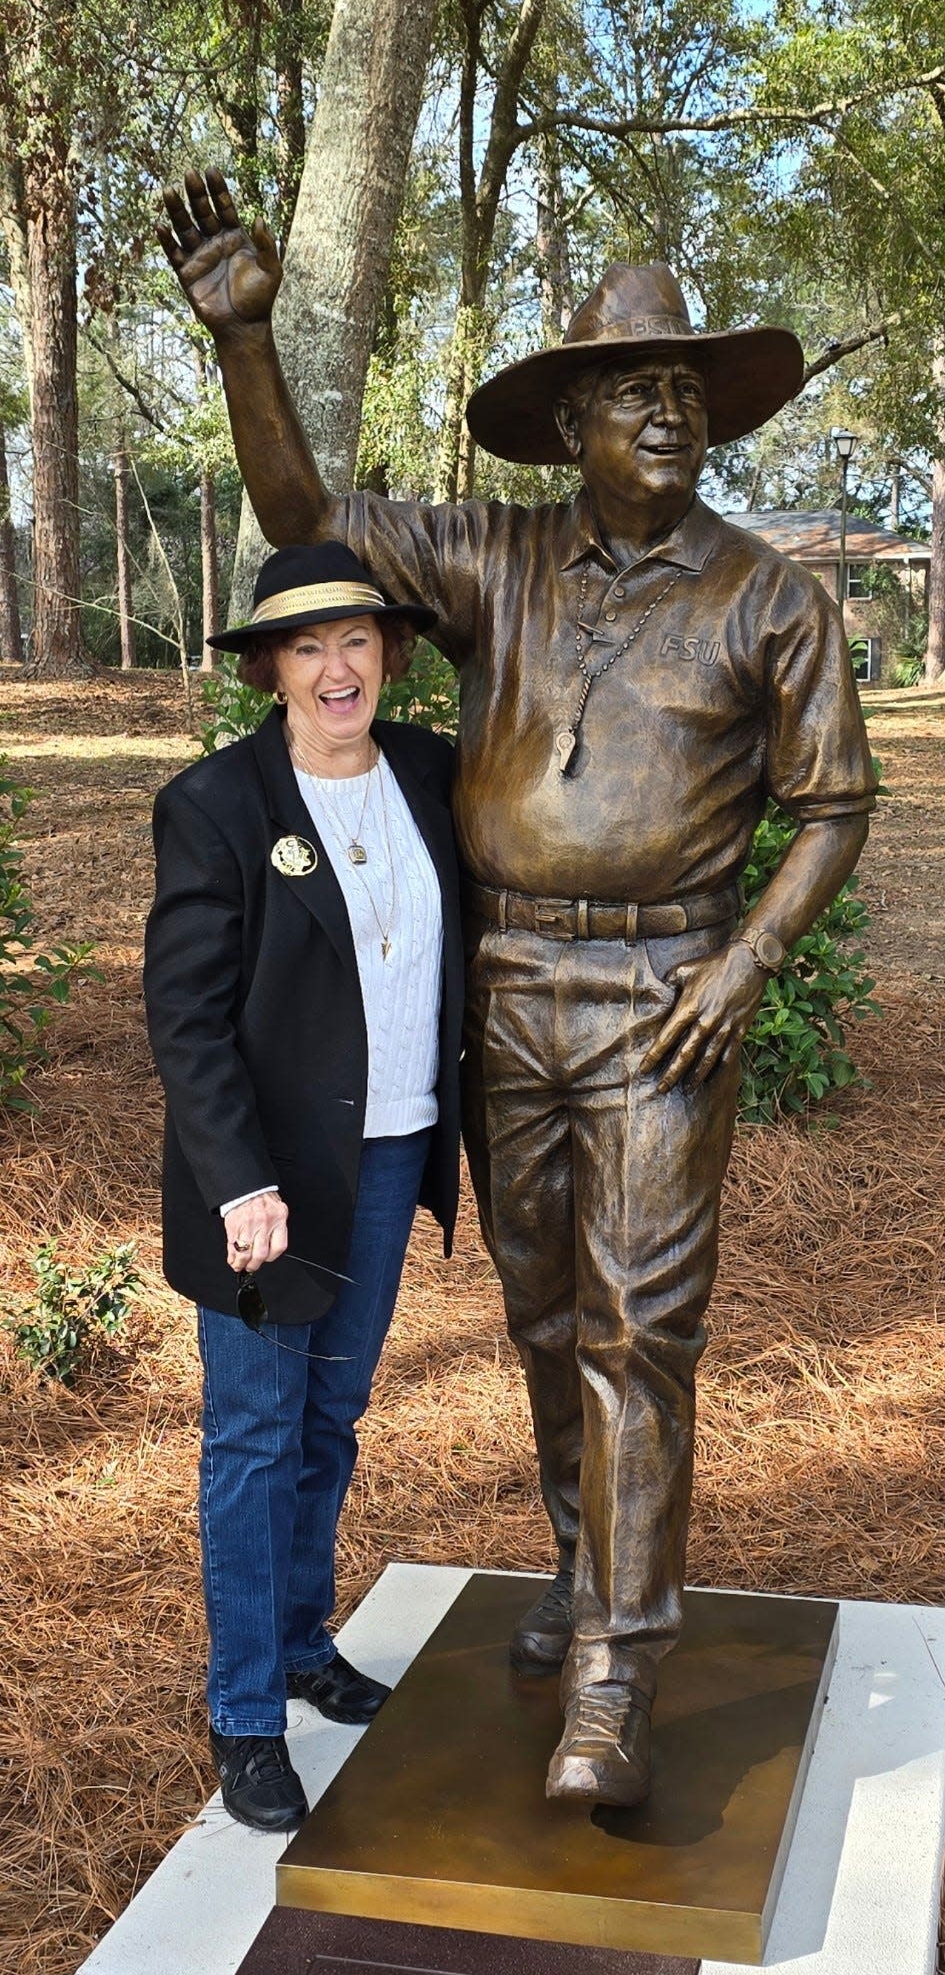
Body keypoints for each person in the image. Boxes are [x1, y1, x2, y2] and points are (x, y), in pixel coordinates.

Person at [157, 170, 875, 1811]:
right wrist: (247, 342)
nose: (670, 413)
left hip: (662, 1000)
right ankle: (576, 1569)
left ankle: (617, 1678)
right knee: (548, 1318)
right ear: (570, 428)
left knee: (639, 1336)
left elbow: (833, 805)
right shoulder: (493, 560)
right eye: (636, 389)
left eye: (688, 391)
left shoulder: (772, 596)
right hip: (509, 1002)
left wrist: (748, 961)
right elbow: (307, 527)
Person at [143, 539, 463, 1833]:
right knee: (256, 1442)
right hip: (268, 1190)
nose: (336, 668)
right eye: (306, 645)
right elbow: (187, 1019)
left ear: (385, 652)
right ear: (270, 666)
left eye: (356, 640)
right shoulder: (218, 805)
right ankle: (245, 1717)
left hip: (391, 1156)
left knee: (331, 1421)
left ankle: (299, 1643)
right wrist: (237, 1184)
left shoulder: (430, 772)